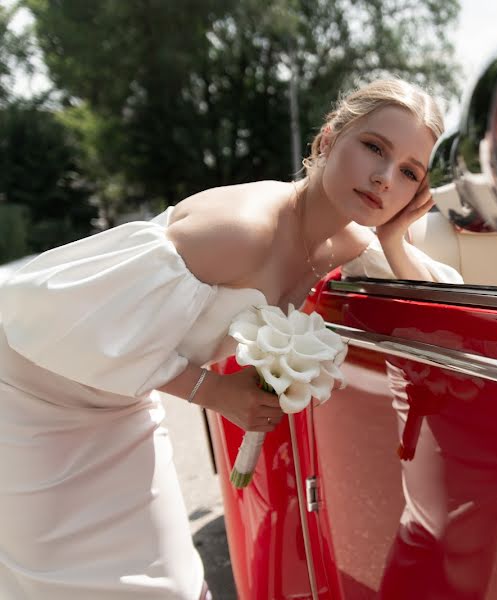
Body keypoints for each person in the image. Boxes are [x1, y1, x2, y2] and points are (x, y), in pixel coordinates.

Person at [0, 78, 461, 600]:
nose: (383, 178)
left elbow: (445, 309)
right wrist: (214, 393)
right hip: (34, 394)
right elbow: (66, 321)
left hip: (122, 398)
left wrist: (393, 237)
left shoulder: (351, 241)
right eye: (374, 147)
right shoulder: (240, 229)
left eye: (408, 173)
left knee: (168, 584)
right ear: (328, 140)